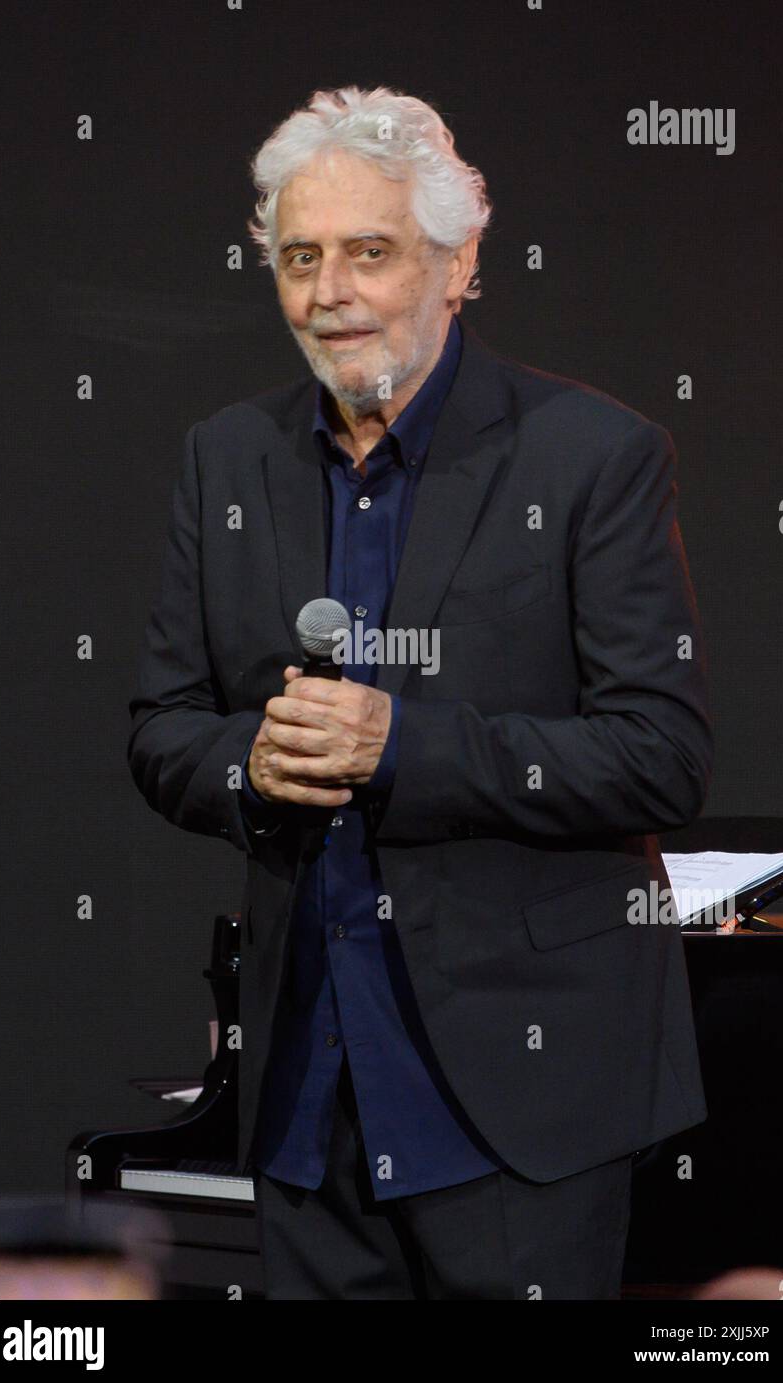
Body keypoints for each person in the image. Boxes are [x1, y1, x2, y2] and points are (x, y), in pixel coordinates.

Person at [128, 85, 713, 1300]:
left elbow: (659, 752)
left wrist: (402, 746)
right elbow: (164, 725)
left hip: (517, 1108)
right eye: (299, 258)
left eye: (368, 253)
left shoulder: (591, 455)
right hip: (305, 1095)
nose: (327, 291)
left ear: (457, 265)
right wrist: (250, 764)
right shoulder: (223, 458)